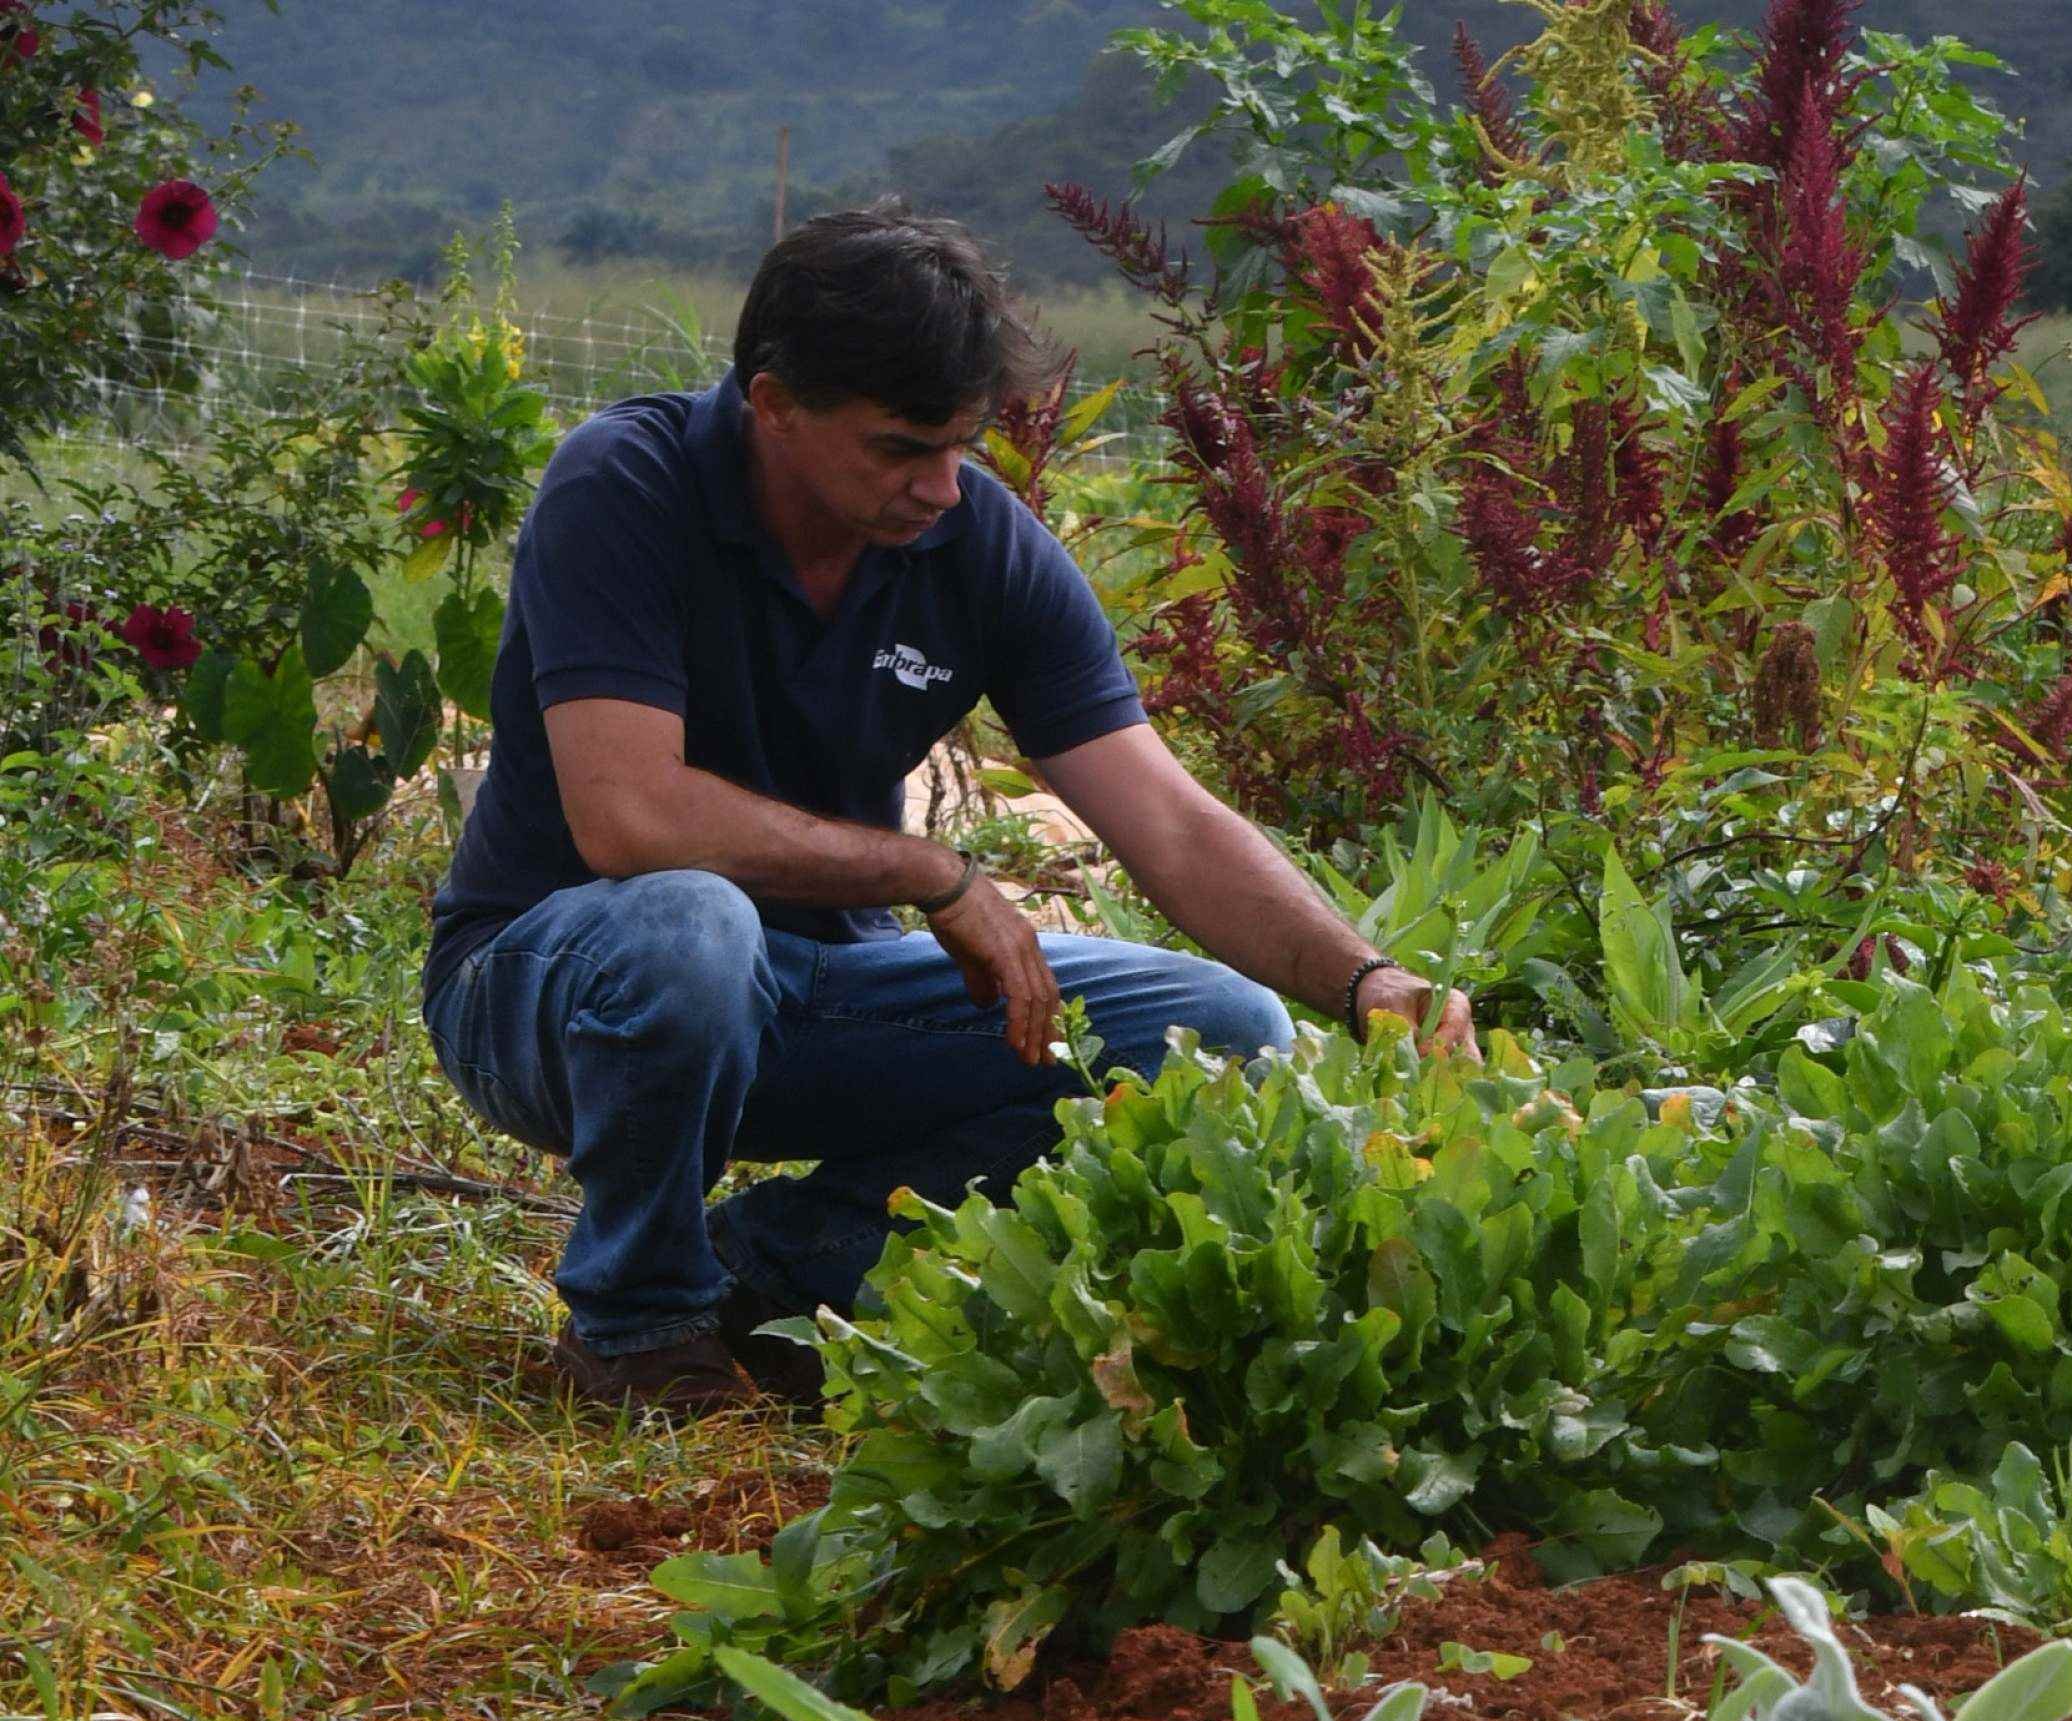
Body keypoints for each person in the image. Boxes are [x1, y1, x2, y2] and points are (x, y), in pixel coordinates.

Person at [421, 201, 1473, 1420]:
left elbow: (1170, 822)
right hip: (551, 989)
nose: (940, 485)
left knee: (1218, 1032)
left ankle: (762, 1279)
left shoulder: (977, 543)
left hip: (815, 997)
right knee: (691, 925)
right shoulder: (629, 484)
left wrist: (1364, 983)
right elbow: (630, 821)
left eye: (962, 445)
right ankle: (636, 1329)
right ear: (773, 404)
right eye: (900, 448)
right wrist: (934, 871)